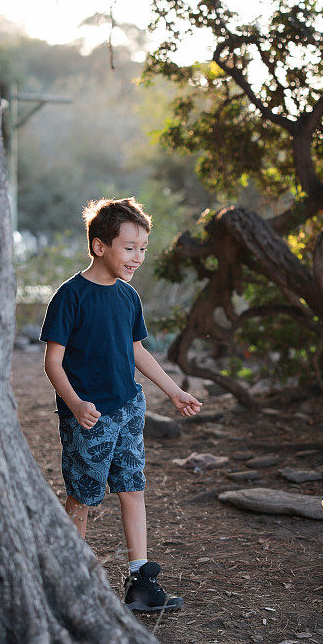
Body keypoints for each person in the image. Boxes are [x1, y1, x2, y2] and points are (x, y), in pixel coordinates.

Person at [40, 197, 201, 613]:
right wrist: (74, 404)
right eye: (130, 248)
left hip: (129, 408)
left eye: (143, 248)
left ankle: (140, 581)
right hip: (88, 416)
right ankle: (73, 583)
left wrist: (173, 391)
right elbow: (52, 362)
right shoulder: (70, 296)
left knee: (133, 489)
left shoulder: (128, 298)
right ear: (100, 246)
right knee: (83, 498)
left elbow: (136, 351)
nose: (138, 257)